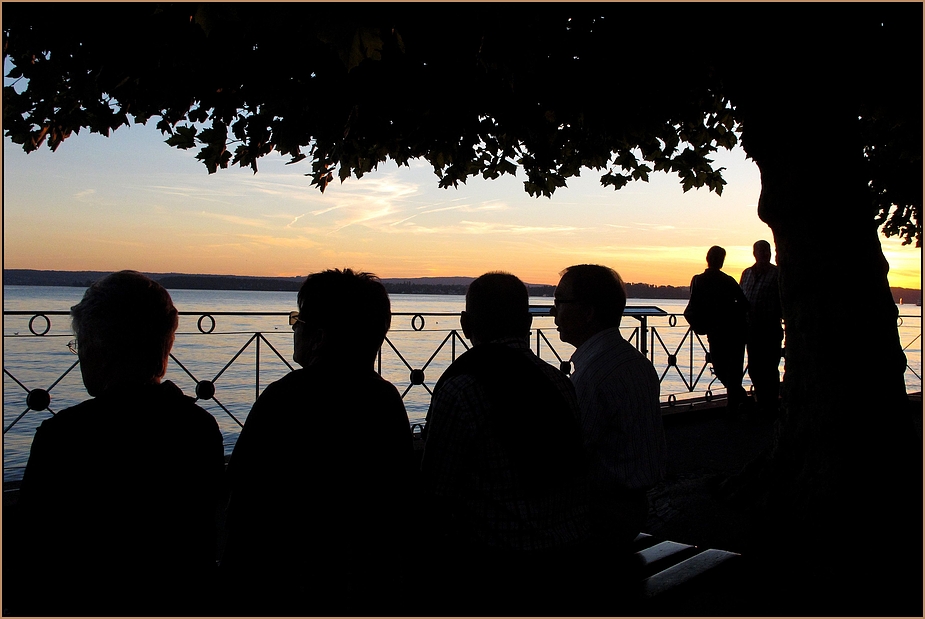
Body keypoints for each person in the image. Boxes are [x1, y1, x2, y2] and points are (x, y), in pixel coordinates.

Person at [14, 271, 225, 616]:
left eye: (79, 345)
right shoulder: (198, 427)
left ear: (99, 348)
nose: (79, 356)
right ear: (165, 345)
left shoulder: (65, 437)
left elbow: (32, 557)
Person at [221, 268, 414, 616]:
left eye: (298, 321)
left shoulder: (284, 400)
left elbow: (242, 508)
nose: (294, 328)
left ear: (320, 337)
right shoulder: (386, 401)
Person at [420, 272, 590, 615]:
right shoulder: (559, 381)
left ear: (466, 324)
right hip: (571, 550)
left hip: (502, 565)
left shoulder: (461, 388)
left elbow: (435, 494)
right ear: (527, 322)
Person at [552, 264, 667, 550]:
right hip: (632, 509)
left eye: (560, 302)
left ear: (589, 312)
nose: (553, 312)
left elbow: (571, 455)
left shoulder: (592, 374)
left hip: (599, 516)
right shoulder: (636, 362)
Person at [683, 246, 750, 411]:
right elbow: (744, 304)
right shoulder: (727, 280)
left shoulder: (700, 280)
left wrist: (704, 323)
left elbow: (693, 306)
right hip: (731, 331)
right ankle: (739, 401)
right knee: (731, 370)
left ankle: (737, 403)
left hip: (717, 331)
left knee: (722, 368)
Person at [740, 240, 784, 417]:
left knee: (770, 368)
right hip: (752, 330)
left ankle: (770, 405)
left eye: (767, 252)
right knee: (754, 368)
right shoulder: (747, 273)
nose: (765, 255)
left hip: (770, 329)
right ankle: (761, 401)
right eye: (761, 252)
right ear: (754, 253)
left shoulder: (776, 274)